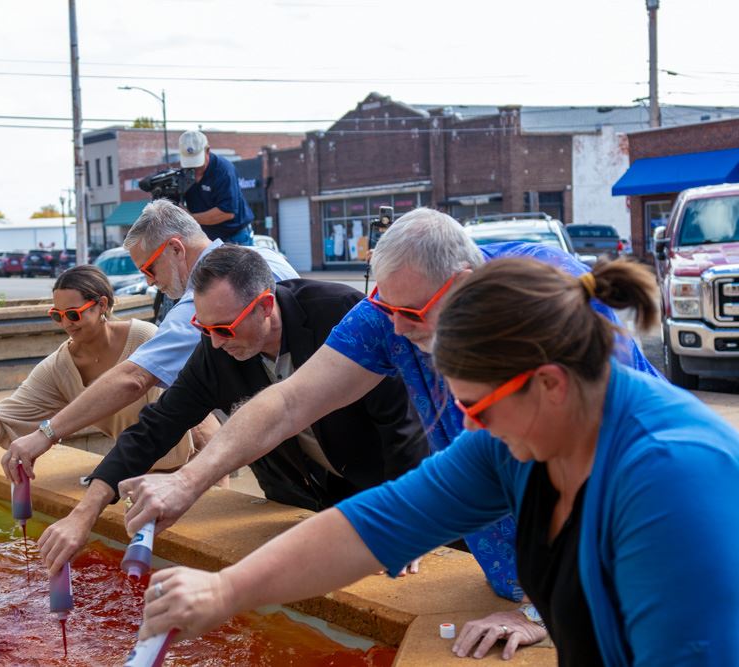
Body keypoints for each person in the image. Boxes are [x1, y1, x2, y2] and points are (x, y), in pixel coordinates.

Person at [133, 258, 739, 665]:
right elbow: (380, 522)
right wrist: (225, 589)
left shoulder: (672, 480)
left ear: (551, 383)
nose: (466, 429)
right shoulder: (516, 439)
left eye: (476, 407)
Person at [37, 246, 429, 573]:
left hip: (380, 487)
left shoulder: (338, 312)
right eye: (203, 328)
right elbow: (155, 426)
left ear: (265, 305)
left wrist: (407, 518)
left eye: (224, 328)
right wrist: (84, 512)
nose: (215, 343)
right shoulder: (217, 347)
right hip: (295, 495)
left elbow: (403, 424)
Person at [0, 202, 296, 505]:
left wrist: (46, 433)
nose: (149, 281)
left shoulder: (198, 306)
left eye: (149, 268)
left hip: (289, 449)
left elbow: (134, 378)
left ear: (176, 249)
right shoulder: (265, 258)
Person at [0, 266, 194, 484]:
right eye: (57, 315)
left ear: (101, 305)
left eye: (73, 315)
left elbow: (195, 401)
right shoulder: (60, 367)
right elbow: (6, 416)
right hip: (136, 473)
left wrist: (202, 474)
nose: (65, 324)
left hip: (189, 467)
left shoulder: (145, 338)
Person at [178, 130, 255, 246]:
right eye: (190, 163)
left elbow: (226, 212)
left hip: (234, 236)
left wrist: (190, 218)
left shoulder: (224, 171)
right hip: (207, 237)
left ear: (207, 150)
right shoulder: (184, 173)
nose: (195, 168)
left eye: (198, 163)